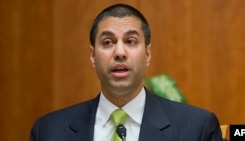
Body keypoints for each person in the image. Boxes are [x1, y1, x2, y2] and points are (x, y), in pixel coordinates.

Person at [30, 3, 223, 141]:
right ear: (92, 56)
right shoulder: (49, 132)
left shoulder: (197, 129)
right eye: (108, 42)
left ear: (147, 54)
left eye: (130, 41)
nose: (120, 52)